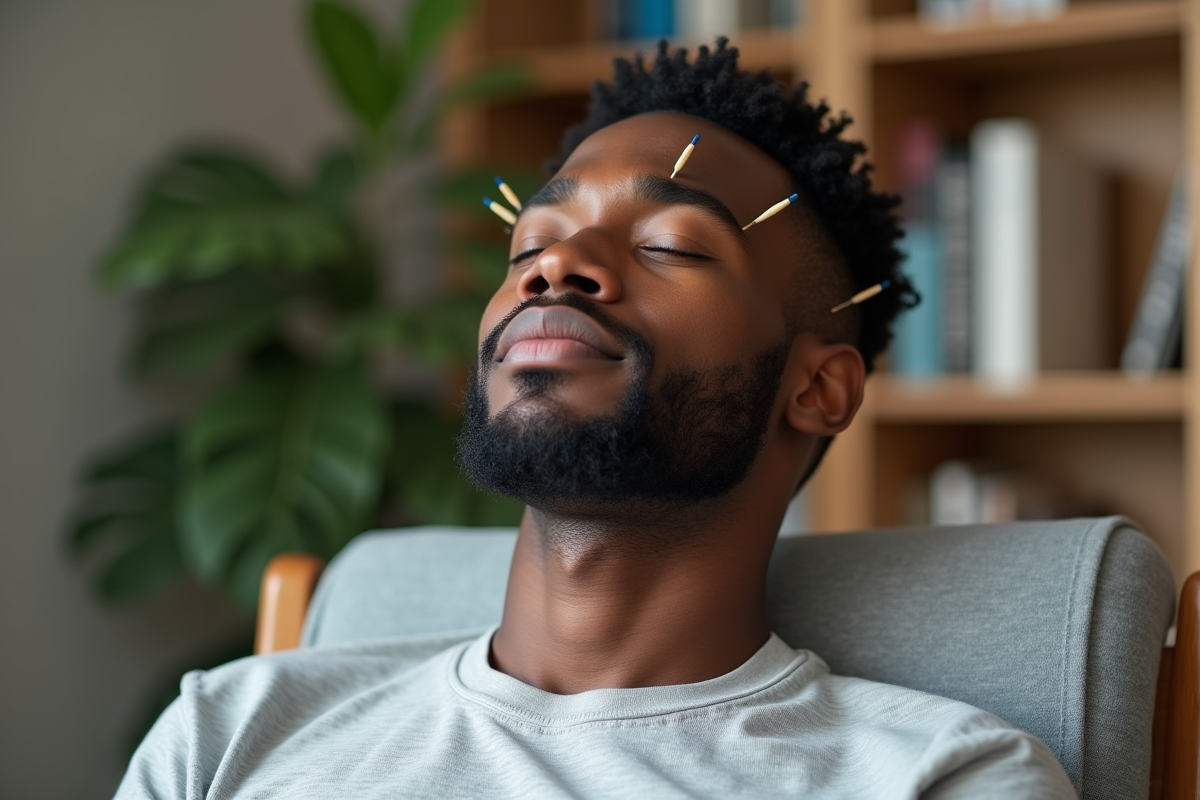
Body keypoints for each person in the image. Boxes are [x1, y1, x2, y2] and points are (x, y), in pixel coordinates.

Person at [116, 40, 1076, 798]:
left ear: (817, 389)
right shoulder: (231, 728)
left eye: (672, 245)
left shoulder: (941, 778)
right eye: (531, 240)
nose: (552, 268)